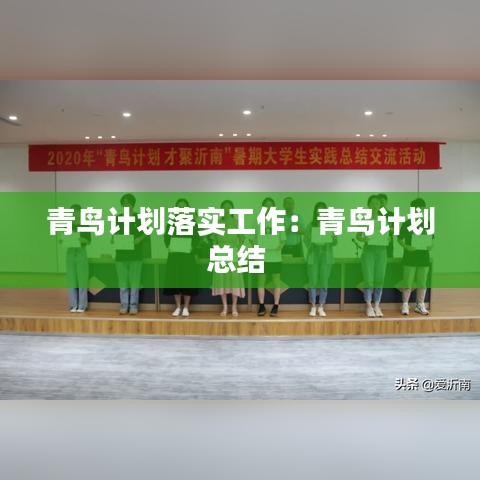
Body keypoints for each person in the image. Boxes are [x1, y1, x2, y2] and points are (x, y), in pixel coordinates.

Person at [113, 194, 148, 315]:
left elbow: (146, 233)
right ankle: (124, 305)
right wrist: (113, 239)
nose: (125, 206)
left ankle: (133, 305)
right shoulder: (118, 218)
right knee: (122, 282)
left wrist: (139, 239)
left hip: (135, 254)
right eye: (123, 204)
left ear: (133, 204)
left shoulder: (139, 218)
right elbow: (114, 233)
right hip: (121, 254)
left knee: (134, 282)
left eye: (127, 204)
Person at [163, 198, 199, 317]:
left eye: (184, 207)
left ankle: (186, 307)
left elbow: (196, 238)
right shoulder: (171, 223)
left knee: (187, 281)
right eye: (179, 207)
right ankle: (178, 307)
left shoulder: (192, 222)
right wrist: (169, 246)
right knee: (175, 281)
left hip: (187, 257)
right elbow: (166, 237)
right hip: (175, 256)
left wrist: (192, 247)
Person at [356, 195, 390, 318]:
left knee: (380, 278)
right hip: (369, 251)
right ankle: (369, 305)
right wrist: (364, 239)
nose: (375, 206)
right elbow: (358, 236)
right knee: (369, 278)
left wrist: (388, 239)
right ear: (368, 205)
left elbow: (387, 236)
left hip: (381, 251)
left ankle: (377, 305)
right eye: (373, 203)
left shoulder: (384, 220)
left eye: (377, 203)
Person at [397, 197, 432, 315]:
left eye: (422, 209)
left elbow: (431, 240)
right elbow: (399, 239)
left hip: (424, 257)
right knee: (408, 281)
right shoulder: (407, 223)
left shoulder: (428, 223)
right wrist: (406, 246)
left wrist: (431, 246)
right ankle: (405, 304)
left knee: (422, 282)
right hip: (409, 256)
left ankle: (420, 304)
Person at [211, 200, 246, 316]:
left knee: (234, 279)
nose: (226, 210)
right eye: (224, 208)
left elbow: (242, 238)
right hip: (220, 251)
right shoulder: (217, 223)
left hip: (233, 251)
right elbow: (214, 239)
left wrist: (238, 249)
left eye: (229, 207)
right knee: (222, 280)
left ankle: (234, 306)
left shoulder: (236, 222)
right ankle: (225, 306)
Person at [304, 201, 337, 317]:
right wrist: (311, 240)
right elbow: (306, 240)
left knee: (324, 281)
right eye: (319, 210)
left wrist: (333, 238)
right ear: (315, 212)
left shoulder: (330, 225)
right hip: (314, 255)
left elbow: (335, 242)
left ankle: (321, 306)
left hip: (326, 256)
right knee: (312, 281)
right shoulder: (310, 226)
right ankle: (313, 306)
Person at [256, 197, 286, 317]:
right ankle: (261, 305)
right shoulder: (257, 221)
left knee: (276, 282)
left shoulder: (278, 221)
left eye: (270, 206)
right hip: (261, 256)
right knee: (260, 281)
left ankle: (276, 305)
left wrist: (279, 247)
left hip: (275, 257)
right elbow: (252, 238)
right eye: (266, 206)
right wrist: (257, 246)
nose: (268, 208)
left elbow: (283, 239)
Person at [62, 204, 91, 313]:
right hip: (70, 252)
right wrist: (63, 241)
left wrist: (80, 239)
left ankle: (82, 305)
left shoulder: (85, 224)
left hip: (80, 251)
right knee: (71, 280)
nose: (75, 214)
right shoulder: (67, 225)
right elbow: (63, 239)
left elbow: (88, 241)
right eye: (73, 212)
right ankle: (73, 304)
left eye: (77, 212)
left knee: (82, 279)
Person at [377, 193, 394, 258]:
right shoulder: (375, 214)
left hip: (388, 241)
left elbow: (395, 230)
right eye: (379, 203)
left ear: (386, 202)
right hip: (376, 242)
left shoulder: (391, 214)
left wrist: (388, 229)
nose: (380, 204)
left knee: (389, 259)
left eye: (382, 202)